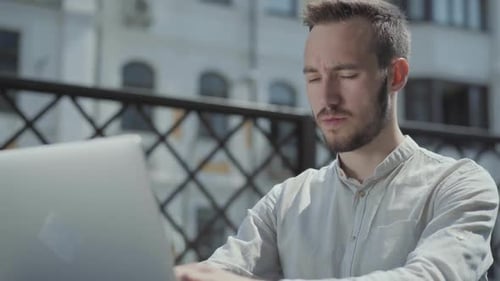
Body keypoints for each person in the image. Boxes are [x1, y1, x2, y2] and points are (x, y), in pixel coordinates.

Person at [175, 0, 499, 280]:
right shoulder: (286, 202)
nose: (326, 98)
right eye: (314, 78)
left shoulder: (459, 185)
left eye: (346, 75)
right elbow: (218, 273)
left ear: (396, 76)